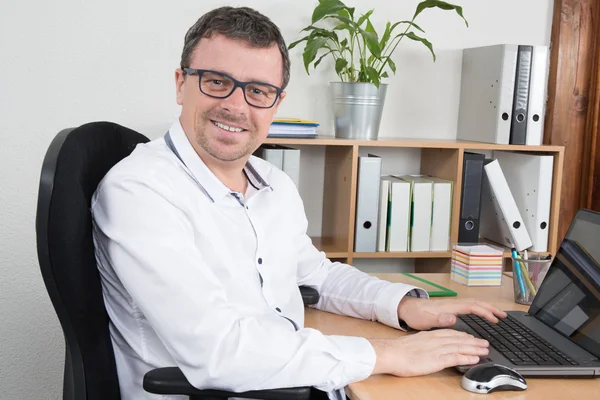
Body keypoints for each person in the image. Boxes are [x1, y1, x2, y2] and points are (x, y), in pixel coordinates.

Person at [91, 6, 506, 400]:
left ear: (276, 104)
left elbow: (317, 276)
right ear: (181, 84)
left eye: (258, 91)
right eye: (216, 81)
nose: (236, 106)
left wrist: (403, 306)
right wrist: (387, 354)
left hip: (289, 380)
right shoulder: (140, 192)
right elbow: (219, 353)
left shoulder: (273, 183)